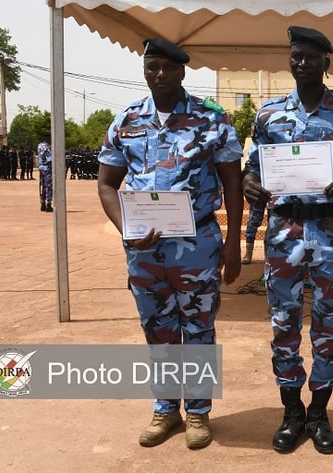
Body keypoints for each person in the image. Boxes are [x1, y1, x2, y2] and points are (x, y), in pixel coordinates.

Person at [97, 38, 244, 450]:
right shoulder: (126, 120)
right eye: (151, 67)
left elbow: (233, 182)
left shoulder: (211, 119)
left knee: (198, 327)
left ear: (182, 71)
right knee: (157, 329)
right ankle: (165, 410)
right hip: (144, 249)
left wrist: (233, 243)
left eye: (167, 67)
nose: (158, 74)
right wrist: (125, 225)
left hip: (197, 243)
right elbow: (107, 185)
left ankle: (197, 413)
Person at [242, 26, 333, 455]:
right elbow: (253, 167)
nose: (301, 62)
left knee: (328, 324)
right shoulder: (268, 116)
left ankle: (319, 412)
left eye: (310, 57)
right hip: (284, 230)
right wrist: (250, 184)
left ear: (326, 63)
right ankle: (291, 411)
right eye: (295, 56)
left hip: (331, 231)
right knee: (283, 323)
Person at [37, 134, 53, 212]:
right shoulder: (47, 147)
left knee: (42, 186)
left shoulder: (39, 146)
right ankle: (48, 204)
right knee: (49, 186)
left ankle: (42, 204)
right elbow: (50, 159)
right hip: (47, 168)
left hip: (41, 167)